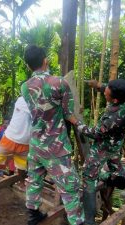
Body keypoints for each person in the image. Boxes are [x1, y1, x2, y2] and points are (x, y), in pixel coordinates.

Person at [21, 45, 84, 225]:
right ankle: (77, 221)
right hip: (56, 146)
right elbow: (68, 114)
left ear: (28, 66)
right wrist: (82, 126)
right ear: (45, 60)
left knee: (34, 179)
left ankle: (33, 216)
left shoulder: (24, 87)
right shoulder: (59, 83)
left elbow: (37, 110)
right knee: (70, 187)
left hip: (36, 144)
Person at [75, 79, 125, 225]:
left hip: (103, 147)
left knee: (88, 177)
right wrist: (99, 85)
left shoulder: (114, 118)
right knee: (116, 166)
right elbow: (113, 88)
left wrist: (77, 123)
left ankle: (89, 220)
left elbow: (95, 133)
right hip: (115, 143)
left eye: (107, 92)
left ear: (116, 99)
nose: (105, 92)